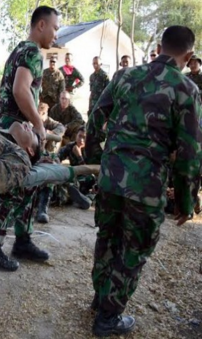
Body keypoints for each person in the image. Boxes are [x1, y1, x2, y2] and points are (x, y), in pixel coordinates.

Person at [86, 25, 202, 337]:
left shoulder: (124, 76)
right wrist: (185, 201)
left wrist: (97, 159)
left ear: (160, 46)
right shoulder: (186, 90)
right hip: (147, 188)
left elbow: (96, 117)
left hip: (111, 179)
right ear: (187, 55)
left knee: (107, 238)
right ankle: (108, 317)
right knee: (134, 249)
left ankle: (101, 298)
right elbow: (190, 153)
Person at [0, 5, 60, 271]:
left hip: (9, 127)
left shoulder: (20, 49)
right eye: (54, 27)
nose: (55, 34)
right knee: (14, 186)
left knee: (33, 179)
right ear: (41, 25)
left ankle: (23, 239)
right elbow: (20, 90)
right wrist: (39, 125)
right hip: (13, 129)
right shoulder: (31, 51)